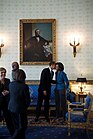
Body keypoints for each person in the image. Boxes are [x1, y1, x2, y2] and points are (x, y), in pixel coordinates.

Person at [8, 69, 31, 139]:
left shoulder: (10, 84)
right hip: (20, 109)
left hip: (11, 107)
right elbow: (28, 100)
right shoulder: (24, 86)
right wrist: (25, 107)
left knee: (16, 126)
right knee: (22, 127)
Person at [0, 67, 15, 136]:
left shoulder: (8, 80)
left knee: (9, 119)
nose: (3, 74)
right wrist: (1, 94)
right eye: (2, 72)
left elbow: (11, 89)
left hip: (7, 102)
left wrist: (8, 92)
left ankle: (13, 133)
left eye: (4, 72)